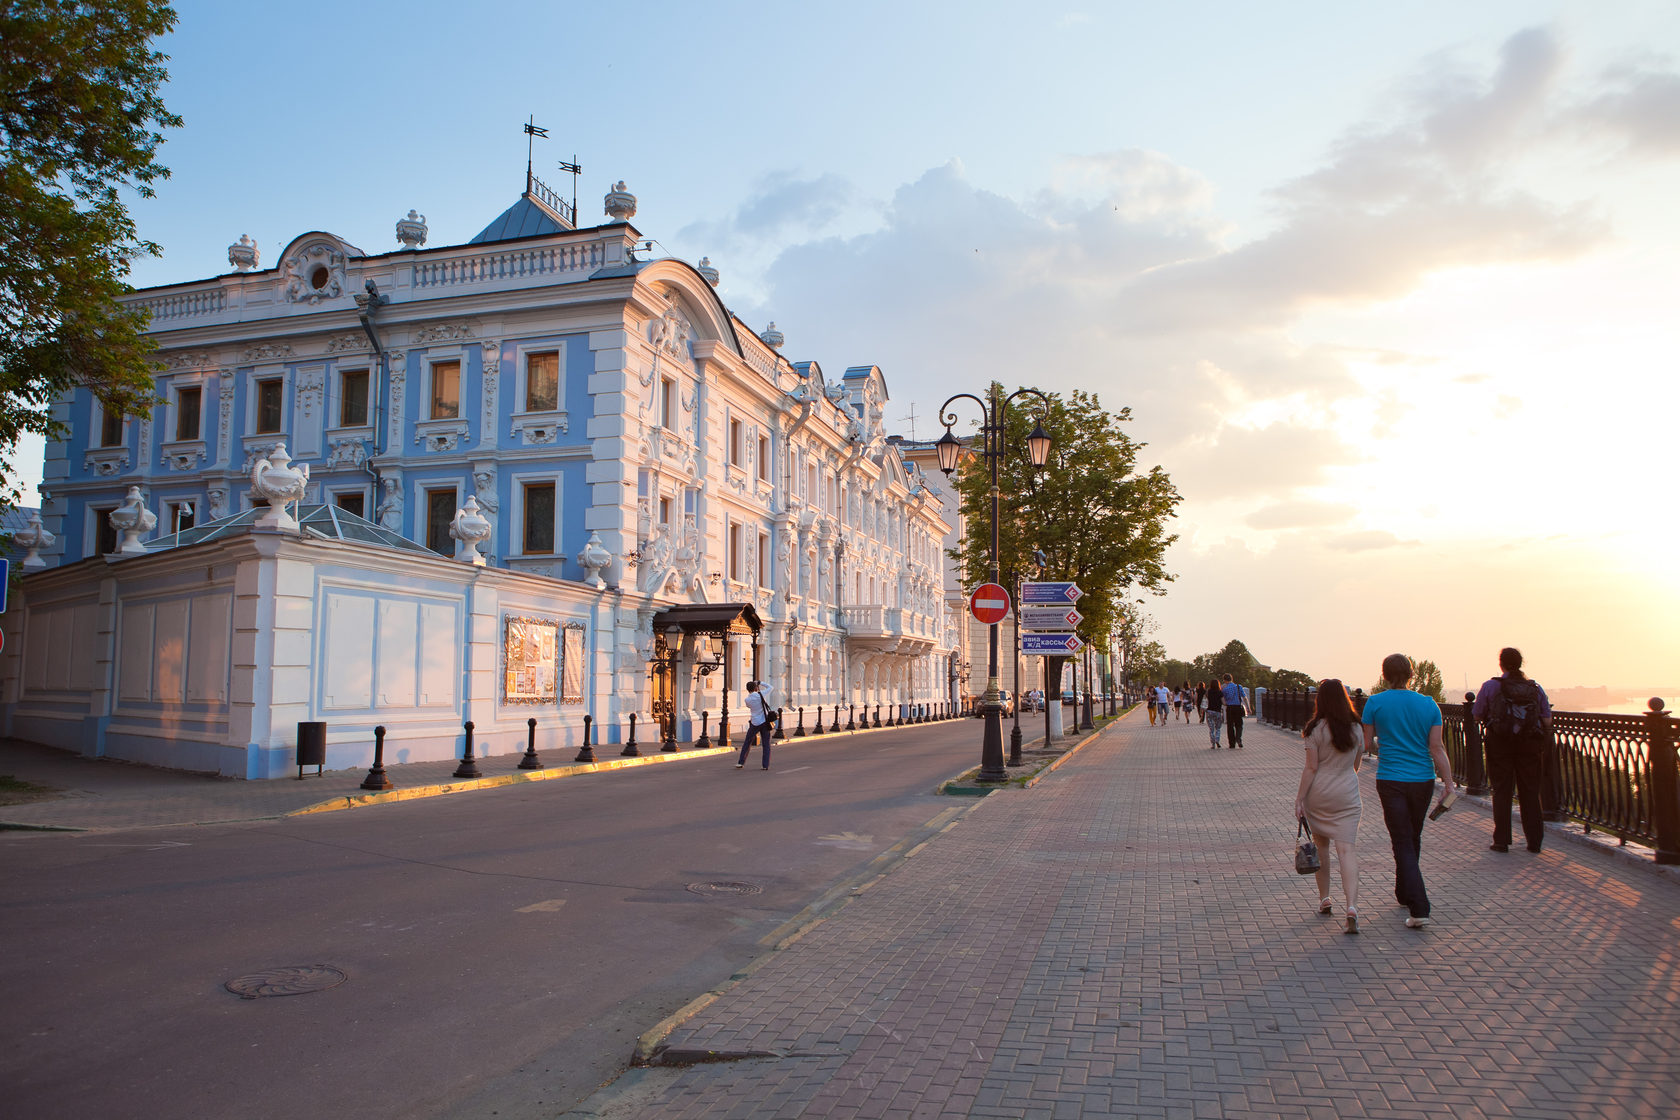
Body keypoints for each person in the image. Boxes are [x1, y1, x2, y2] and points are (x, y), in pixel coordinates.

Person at [1361, 654, 1456, 929]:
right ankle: (1404, 892)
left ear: (1385, 676)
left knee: (1401, 839)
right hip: (1423, 779)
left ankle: (1419, 906)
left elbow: (1367, 744)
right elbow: (1436, 748)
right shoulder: (1428, 704)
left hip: (1390, 778)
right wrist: (1448, 784)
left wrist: (1386, 744)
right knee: (1412, 836)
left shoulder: (1375, 703)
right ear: (1411, 675)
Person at [1293, 680, 1364, 934]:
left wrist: (1300, 798)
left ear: (1319, 700)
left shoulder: (1314, 729)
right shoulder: (1356, 728)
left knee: (1321, 847)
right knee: (1347, 851)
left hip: (1319, 795)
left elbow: (1311, 768)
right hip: (1347, 793)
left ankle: (1324, 899)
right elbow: (1356, 764)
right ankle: (1352, 907)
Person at [1472, 647, 1552, 854]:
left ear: (1501, 664)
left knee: (1502, 790)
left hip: (1500, 743)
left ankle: (1501, 841)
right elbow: (1546, 718)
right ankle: (1534, 842)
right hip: (1529, 745)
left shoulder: (1490, 686)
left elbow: (1477, 714)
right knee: (1530, 792)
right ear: (1520, 664)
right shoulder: (1534, 688)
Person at [737, 680, 773, 769]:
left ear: (747, 690)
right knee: (766, 744)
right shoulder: (761, 695)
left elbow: (749, 707)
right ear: (756, 688)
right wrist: (760, 683)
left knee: (747, 742)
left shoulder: (747, 700)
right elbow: (770, 687)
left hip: (754, 722)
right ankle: (765, 765)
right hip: (764, 722)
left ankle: (741, 762)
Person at [1220, 674, 1249, 748]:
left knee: (1230, 726)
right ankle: (1238, 738)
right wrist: (1248, 708)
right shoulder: (1239, 687)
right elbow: (1244, 698)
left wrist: (1225, 704)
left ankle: (1232, 744)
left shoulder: (1224, 689)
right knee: (1239, 724)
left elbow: (1223, 700)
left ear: (1224, 680)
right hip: (1238, 707)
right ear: (1232, 679)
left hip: (1229, 708)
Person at [1205, 675, 1225, 749]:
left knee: (1211, 728)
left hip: (1209, 711)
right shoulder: (1220, 692)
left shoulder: (1208, 692)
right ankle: (1217, 739)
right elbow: (1224, 702)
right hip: (1217, 712)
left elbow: (1206, 698)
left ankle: (1213, 744)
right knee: (1218, 728)